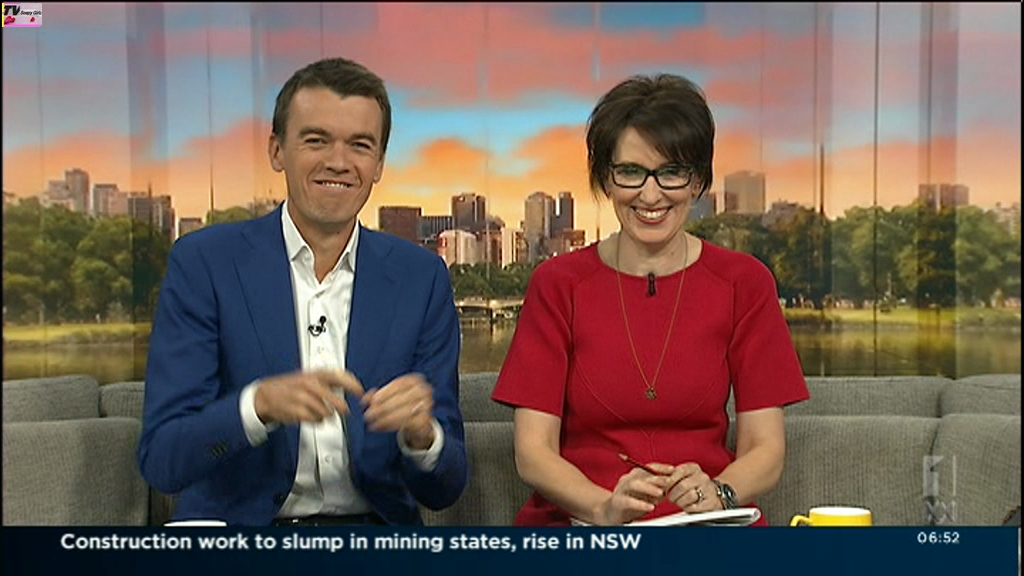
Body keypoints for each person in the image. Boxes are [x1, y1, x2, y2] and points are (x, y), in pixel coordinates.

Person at [138, 57, 468, 526]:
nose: (338, 162)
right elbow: (163, 460)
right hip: (240, 535)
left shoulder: (422, 278)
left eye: (360, 145)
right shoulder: (205, 264)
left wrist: (422, 437)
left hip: (372, 539)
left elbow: (446, 487)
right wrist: (257, 407)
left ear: (378, 164)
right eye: (316, 140)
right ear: (277, 151)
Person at [491, 73, 810, 526]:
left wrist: (720, 493)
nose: (651, 194)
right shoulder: (558, 284)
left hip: (705, 525)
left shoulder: (745, 283)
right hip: (584, 523)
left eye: (672, 172)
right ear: (606, 179)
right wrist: (602, 507)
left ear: (698, 182)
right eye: (630, 172)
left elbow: (766, 448)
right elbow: (533, 452)